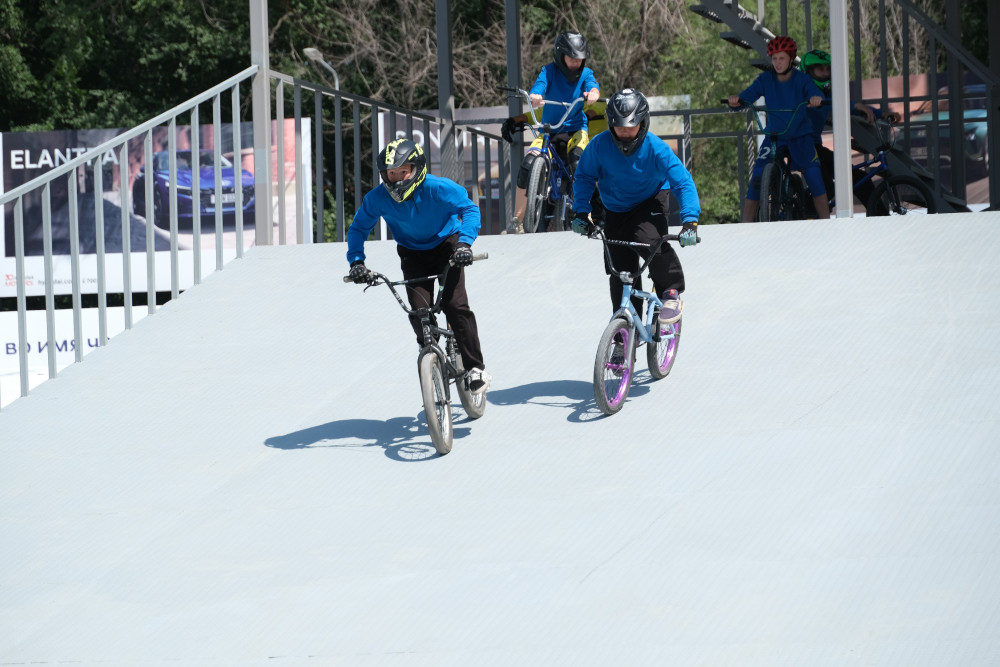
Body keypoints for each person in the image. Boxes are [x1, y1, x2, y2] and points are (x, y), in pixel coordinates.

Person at [346, 138, 491, 394]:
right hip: (412, 253)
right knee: (418, 311)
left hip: (448, 247)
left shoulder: (438, 188)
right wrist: (357, 261)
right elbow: (358, 228)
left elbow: (469, 210)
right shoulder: (378, 198)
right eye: (391, 174)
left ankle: (474, 368)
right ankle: (431, 356)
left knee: (455, 306)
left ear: (417, 169)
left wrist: (464, 245)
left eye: (403, 172)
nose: (397, 179)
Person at [570, 88, 700, 327]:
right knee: (619, 269)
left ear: (643, 123)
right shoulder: (599, 146)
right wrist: (580, 212)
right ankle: (625, 330)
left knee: (649, 241)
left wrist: (689, 221)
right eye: (619, 127)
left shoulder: (656, 148)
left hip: (650, 200)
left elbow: (682, 182)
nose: (626, 133)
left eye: (631, 127)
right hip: (616, 209)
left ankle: (670, 292)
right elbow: (584, 177)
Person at [500, 31, 600, 233]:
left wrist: (593, 95)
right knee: (528, 163)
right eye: (571, 58)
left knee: (579, 162)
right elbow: (539, 86)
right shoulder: (549, 71)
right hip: (549, 131)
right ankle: (518, 219)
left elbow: (594, 87)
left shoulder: (586, 74)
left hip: (576, 130)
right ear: (560, 55)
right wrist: (536, 95)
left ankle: (586, 214)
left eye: (579, 59)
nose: (575, 63)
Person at [727, 35, 829, 222]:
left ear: (791, 58)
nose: (777, 62)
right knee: (757, 176)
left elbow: (814, 92)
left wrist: (816, 98)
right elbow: (748, 95)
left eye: (781, 58)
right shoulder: (765, 79)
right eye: (774, 58)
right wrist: (737, 101)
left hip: (801, 136)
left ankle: (827, 223)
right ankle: (744, 226)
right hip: (775, 136)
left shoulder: (802, 79)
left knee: (814, 176)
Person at [800, 48, 901, 206]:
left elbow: (847, 105)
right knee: (827, 189)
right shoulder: (803, 91)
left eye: (828, 69)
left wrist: (881, 114)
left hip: (815, 147)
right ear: (809, 72)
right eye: (821, 69)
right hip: (802, 146)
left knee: (860, 179)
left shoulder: (825, 95)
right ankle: (803, 214)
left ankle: (879, 218)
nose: (826, 73)